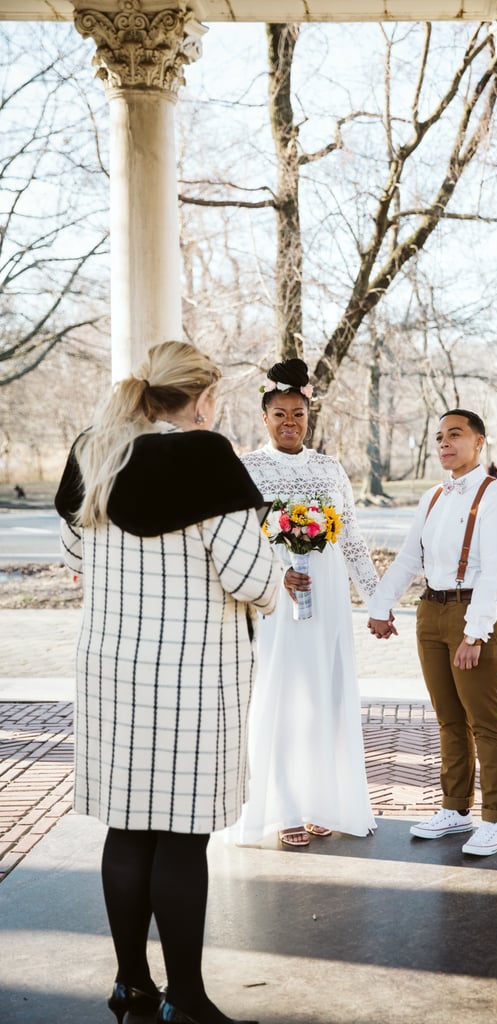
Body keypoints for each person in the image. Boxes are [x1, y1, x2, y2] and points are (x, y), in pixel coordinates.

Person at [54, 341, 282, 1024]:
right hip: (191, 675)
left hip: (109, 669)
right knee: (182, 837)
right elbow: (249, 579)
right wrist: (272, 577)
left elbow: (72, 552)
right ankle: (185, 998)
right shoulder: (208, 458)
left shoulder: (96, 448)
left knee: (128, 830)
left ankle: (131, 987)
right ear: (203, 398)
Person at [226, 358, 377, 848]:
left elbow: (351, 538)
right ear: (264, 417)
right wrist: (274, 575)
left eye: (298, 414)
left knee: (324, 700)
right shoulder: (246, 469)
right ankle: (283, 807)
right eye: (280, 415)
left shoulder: (329, 468)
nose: (290, 423)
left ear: (308, 417)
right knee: (280, 699)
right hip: (274, 601)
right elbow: (238, 542)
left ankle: (320, 801)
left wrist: (376, 599)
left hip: (326, 600)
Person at [368, 409, 497, 857]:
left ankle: (496, 818)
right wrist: (381, 606)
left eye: (455, 435)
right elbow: (408, 558)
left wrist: (474, 634)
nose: (444, 444)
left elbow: (496, 573)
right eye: (438, 437)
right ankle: (456, 809)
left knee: (486, 720)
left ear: (479, 442)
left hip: (477, 613)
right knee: (449, 719)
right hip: (431, 613)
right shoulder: (434, 495)